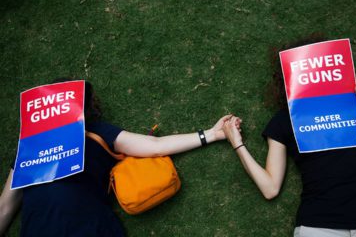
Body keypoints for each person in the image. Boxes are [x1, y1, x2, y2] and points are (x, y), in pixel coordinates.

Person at [0, 80, 239, 237]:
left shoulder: (96, 133)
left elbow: (155, 146)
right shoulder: (30, 147)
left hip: (91, 229)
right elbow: (6, 205)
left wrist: (211, 134)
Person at [222, 42, 356, 236]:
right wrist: (237, 143)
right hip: (318, 226)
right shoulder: (284, 121)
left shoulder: (351, 109)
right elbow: (270, 188)